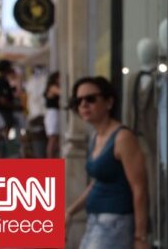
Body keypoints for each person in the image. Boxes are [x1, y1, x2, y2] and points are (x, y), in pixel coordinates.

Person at [65, 76, 149, 249]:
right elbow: (98, 183)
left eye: (90, 99)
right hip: (95, 220)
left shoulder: (122, 138)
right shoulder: (95, 137)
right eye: (79, 101)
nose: (84, 105)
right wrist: (70, 211)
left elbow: (139, 188)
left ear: (109, 102)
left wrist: (140, 236)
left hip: (115, 222)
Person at [44, 72, 61, 158]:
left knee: (55, 139)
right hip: (52, 114)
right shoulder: (53, 87)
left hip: (54, 113)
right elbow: (62, 93)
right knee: (52, 139)